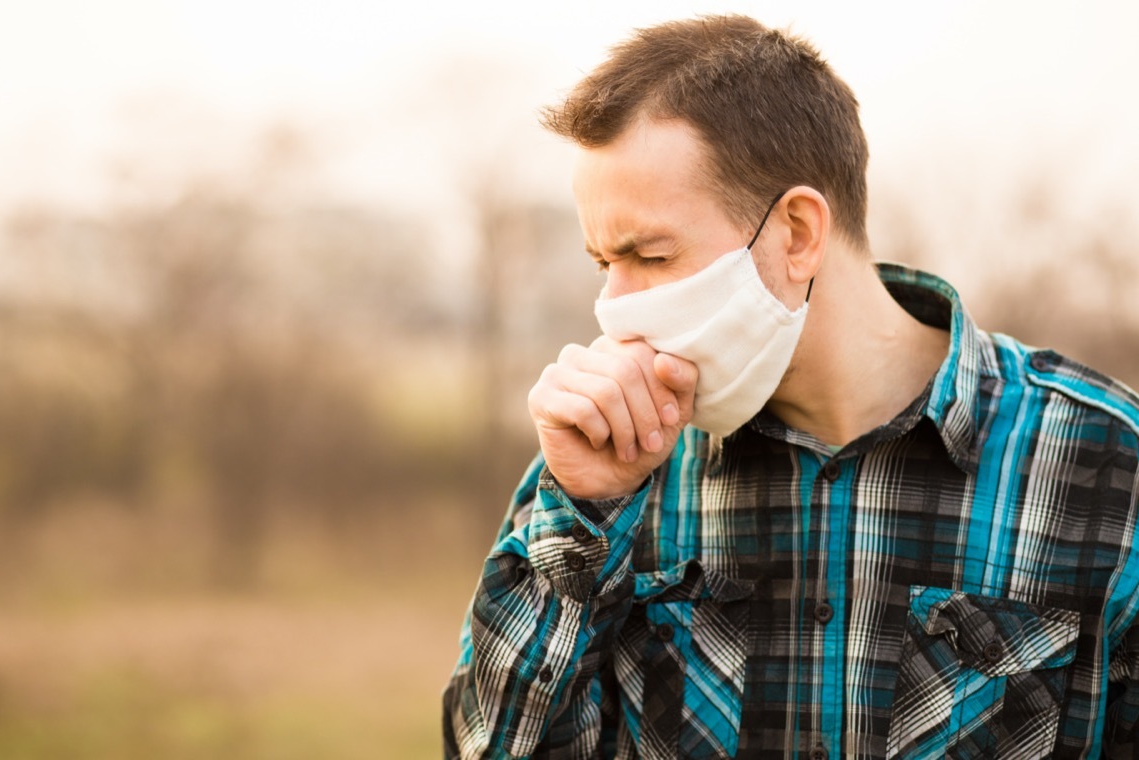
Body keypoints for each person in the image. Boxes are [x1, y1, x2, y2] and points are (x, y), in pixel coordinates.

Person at [442, 14, 1139, 759]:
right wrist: (581, 516)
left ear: (798, 233)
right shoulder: (603, 470)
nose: (614, 307)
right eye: (602, 262)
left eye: (647, 254)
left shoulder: (1107, 465)